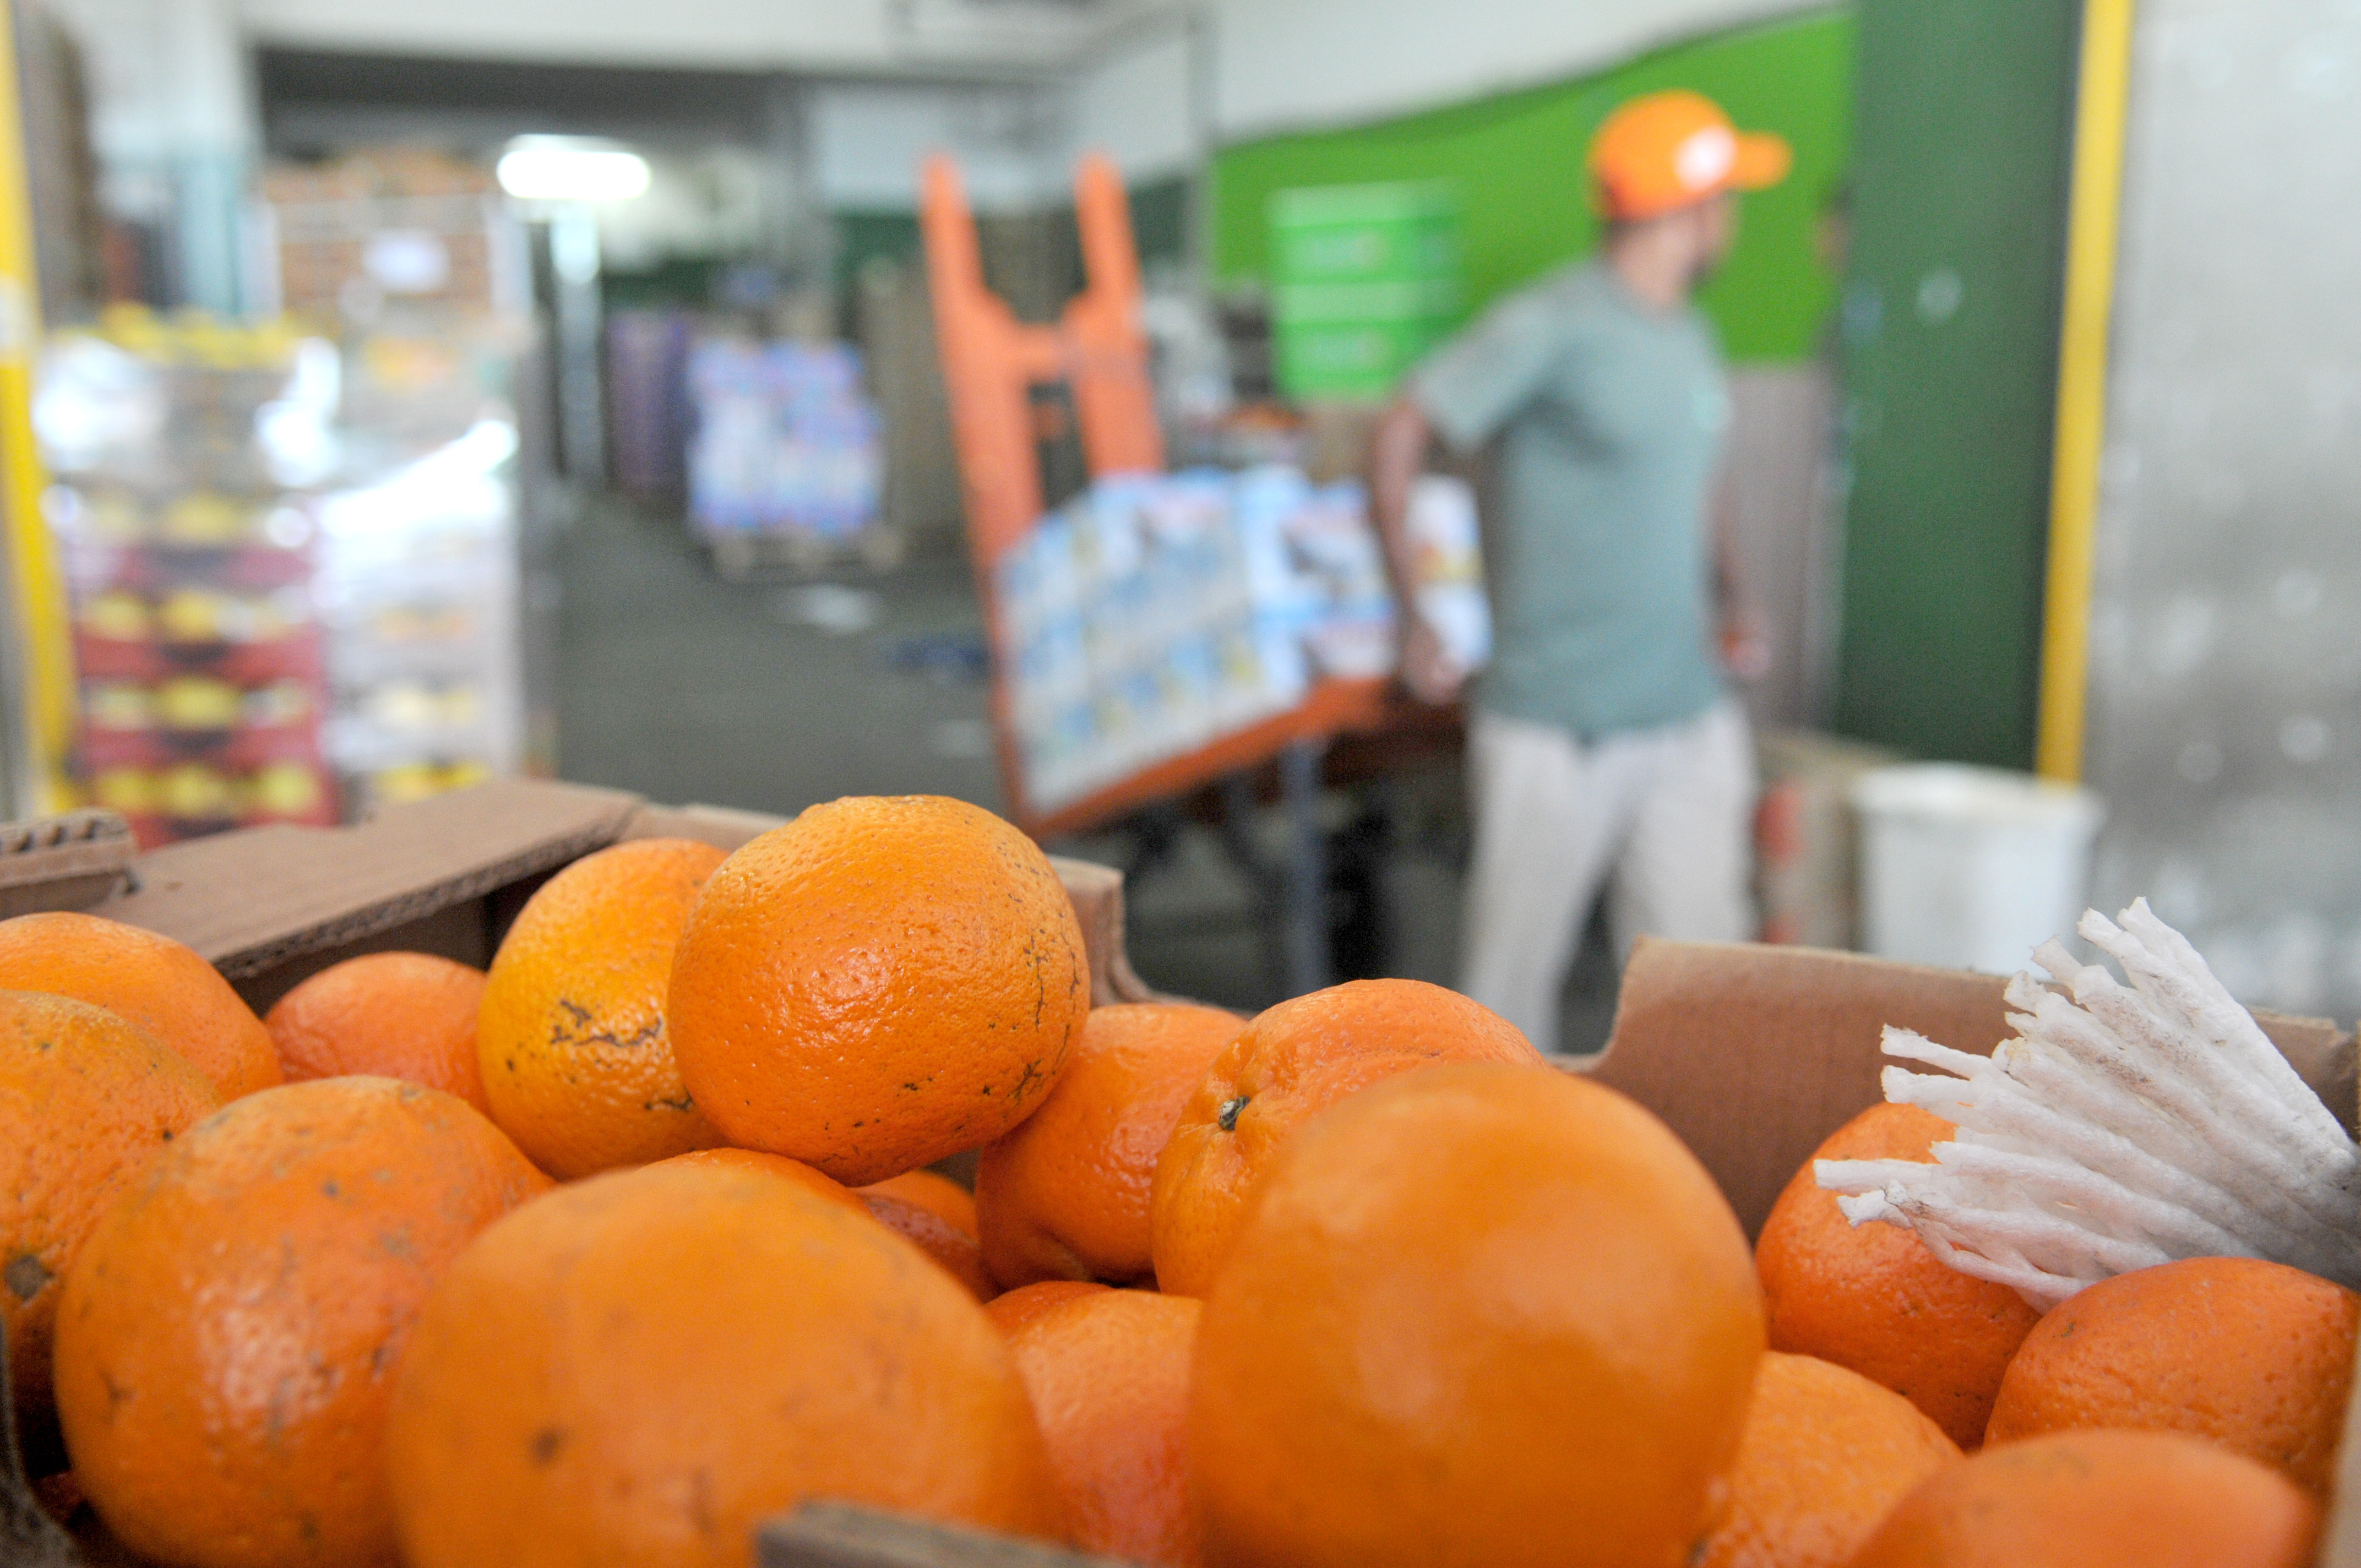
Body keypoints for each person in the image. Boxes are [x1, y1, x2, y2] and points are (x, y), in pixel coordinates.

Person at [1367, 89, 1790, 1050]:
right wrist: (1416, 612)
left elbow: (1696, 479)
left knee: (1706, 990)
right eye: (1725, 198)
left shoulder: (1688, 333)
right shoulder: (1554, 323)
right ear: (1689, 210)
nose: (1730, 220)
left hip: (1685, 714)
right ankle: (1490, 1188)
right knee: (1507, 1002)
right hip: (1558, 727)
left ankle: (1684, 1188)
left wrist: (1737, 594)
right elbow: (1404, 427)